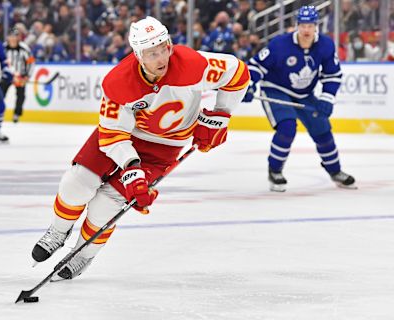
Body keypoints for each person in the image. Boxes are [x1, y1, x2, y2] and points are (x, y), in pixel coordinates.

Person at [30, 16, 250, 281]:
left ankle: (83, 254)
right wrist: (132, 169)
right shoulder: (119, 82)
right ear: (138, 55)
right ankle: (58, 230)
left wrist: (220, 115)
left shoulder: (194, 64)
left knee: (106, 205)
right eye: (152, 53)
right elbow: (113, 135)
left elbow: (238, 73)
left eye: (164, 48)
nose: (161, 59)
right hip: (122, 137)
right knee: (77, 183)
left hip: (166, 146)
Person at [242, 6, 356, 192]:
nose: (306, 30)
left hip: (304, 95)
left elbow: (333, 75)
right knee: (287, 127)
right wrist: (248, 85)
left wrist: (327, 98)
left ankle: (335, 171)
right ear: (296, 25)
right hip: (275, 89)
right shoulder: (280, 44)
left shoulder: (326, 45)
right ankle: (275, 171)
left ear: (316, 26)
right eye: (302, 25)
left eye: (310, 25)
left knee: (323, 131)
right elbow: (256, 66)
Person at [0, 28, 35, 123]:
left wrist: (27, 76)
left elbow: (31, 62)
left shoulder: (24, 48)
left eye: (15, 36)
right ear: (8, 37)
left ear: (18, 37)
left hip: (20, 76)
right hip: (6, 76)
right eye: (11, 36)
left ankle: (17, 114)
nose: (13, 38)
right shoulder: (3, 48)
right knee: (0, 95)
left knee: (21, 96)